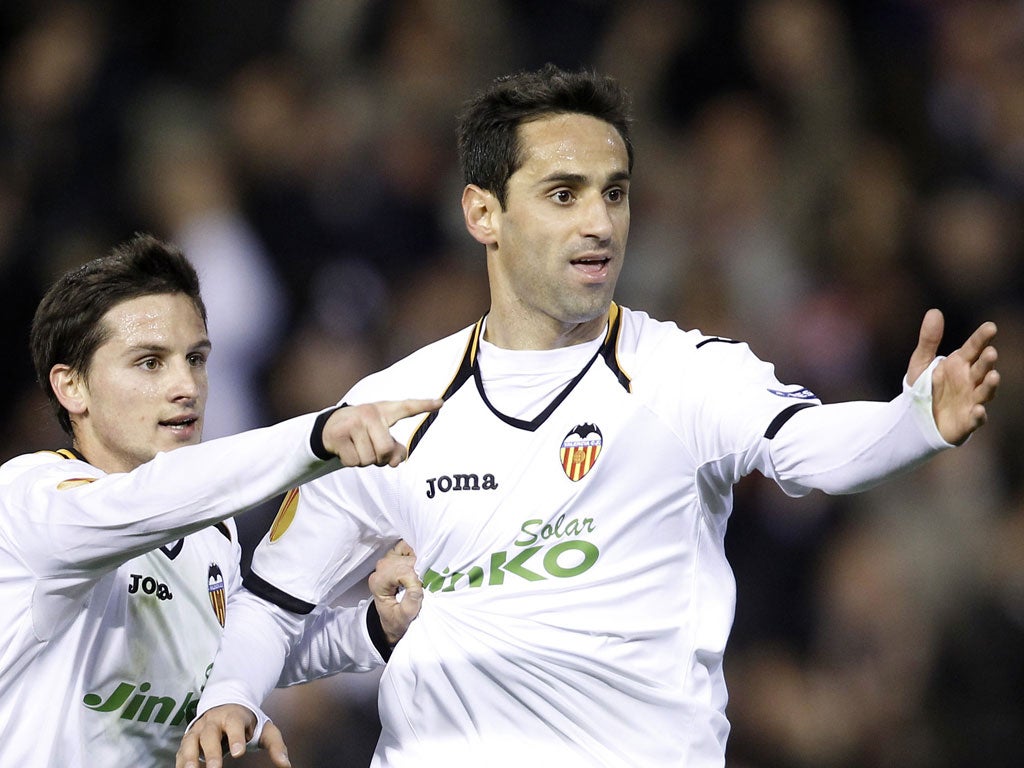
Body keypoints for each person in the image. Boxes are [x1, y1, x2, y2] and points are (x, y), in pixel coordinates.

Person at [180, 65, 1000, 768]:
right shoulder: (393, 405)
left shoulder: (684, 375)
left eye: (614, 194)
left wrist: (913, 424)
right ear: (482, 214)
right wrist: (231, 698)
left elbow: (811, 448)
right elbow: (271, 602)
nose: (599, 223)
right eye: (563, 194)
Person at [0, 234, 437, 767]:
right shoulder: (28, 500)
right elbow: (147, 499)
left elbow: (231, 649)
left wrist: (373, 627)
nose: (186, 385)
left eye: (196, 359)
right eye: (149, 363)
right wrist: (315, 436)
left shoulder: (211, 530)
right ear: (73, 388)